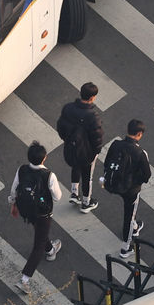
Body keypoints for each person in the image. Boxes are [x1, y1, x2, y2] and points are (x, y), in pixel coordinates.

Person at [9, 141, 62, 294]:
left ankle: (50, 249)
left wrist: (13, 204)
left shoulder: (22, 169)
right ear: (44, 158)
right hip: (43, 212)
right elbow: (57, 197)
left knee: (40, 233)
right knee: (38, 245)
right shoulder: (49, 175)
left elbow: (14, 190)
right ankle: (24, 279)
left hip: (26, 210)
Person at [100, 119, 151, 259]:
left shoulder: (115, 144)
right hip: (131, 190)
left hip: (114, 184)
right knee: (129, 216)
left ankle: (135, 227)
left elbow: (107, 163)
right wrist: (135, 182)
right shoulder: (140, 153)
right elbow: (147, 175)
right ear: (139, 134)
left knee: (130, 215)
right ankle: (126, 248)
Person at [56, 81, 104, 213]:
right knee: (87, 176)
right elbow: (97, 138)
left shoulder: (68, 108)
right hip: (87, 152)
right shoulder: (93, 116)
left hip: (71, 146)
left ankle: (74, 193)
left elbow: (60, 126)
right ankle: (86, 202)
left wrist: (67, 139)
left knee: (76, 166)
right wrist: (95, 152)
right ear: (92, 97)